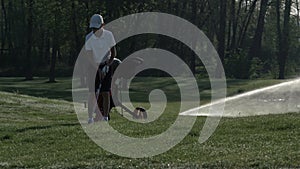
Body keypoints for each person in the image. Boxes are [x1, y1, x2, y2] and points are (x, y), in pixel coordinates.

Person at [85, 14, 117, 123]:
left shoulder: (109, 35)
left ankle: (105, 117)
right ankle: (90, 118)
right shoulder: (89, 37)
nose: (94, 30)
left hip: (106, 64)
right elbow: (89, 56)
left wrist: (108, 64)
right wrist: (97, 69)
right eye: (93, 28)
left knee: (105, 92)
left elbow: (113, 53)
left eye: (96, 28)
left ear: (102, 25)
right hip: (92, 65)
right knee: (92, 92)